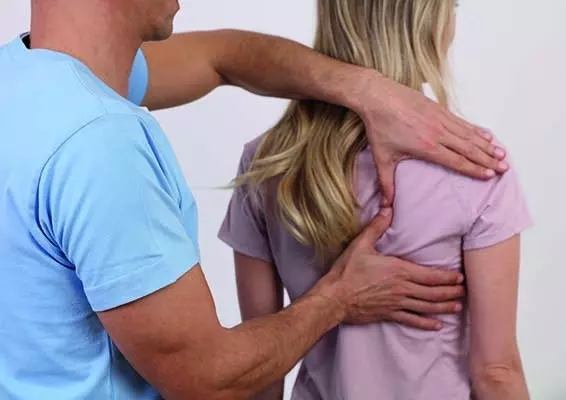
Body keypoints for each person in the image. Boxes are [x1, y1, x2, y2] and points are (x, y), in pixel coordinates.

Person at [0, 0, 508, 399]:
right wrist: (338, 297)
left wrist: (367, 90)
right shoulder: (98, 143)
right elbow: (206, 378)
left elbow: (224, 57)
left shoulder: (20, 81)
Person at [219, 1, 532, 399]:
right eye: (451, 6)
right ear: (423, 23)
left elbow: (260, 373)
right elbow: (496, 373)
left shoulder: (268, 163)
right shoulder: (475, 164)